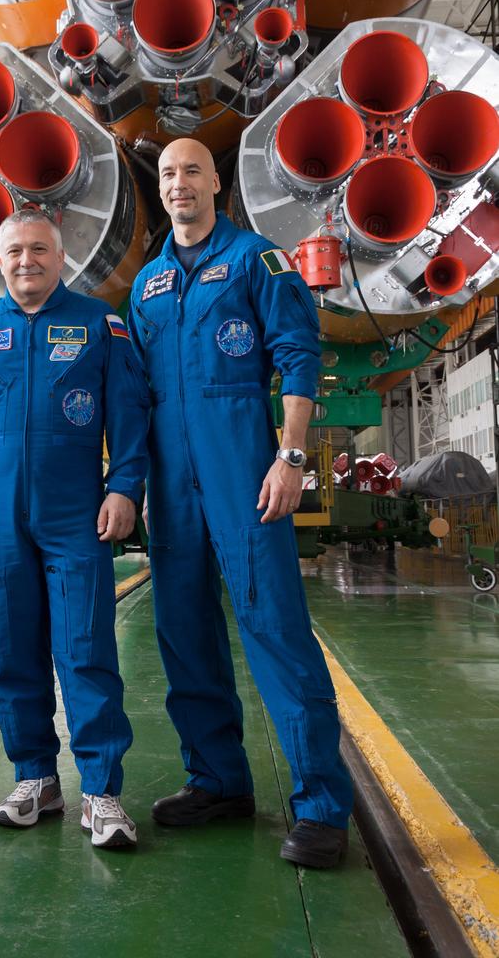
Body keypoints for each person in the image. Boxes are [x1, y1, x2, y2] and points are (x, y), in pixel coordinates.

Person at [127, 138, 353, 869]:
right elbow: (135, 394)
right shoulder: (149, 283)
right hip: (171, 480)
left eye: (191, 169)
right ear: (158, 190)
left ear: (215, 181)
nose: (178, 182)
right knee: (183, 633)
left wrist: (289, 458)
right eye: (166, 173)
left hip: (242, 470)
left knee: (274, 627)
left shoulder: (257, 260)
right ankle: (218, 781)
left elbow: (296, 354)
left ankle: (320, 805)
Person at [0, 209, 149, 850]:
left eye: (40, 250)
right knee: (10, 651)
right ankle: (35, 778)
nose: (27, 261)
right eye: (16, 251)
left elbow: (127, 413)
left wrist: (125, 487)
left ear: (61, 255)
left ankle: (101, 790)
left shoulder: (100, 325)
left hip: (76, 513)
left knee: (85, 648)